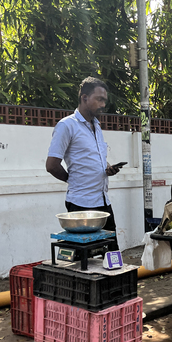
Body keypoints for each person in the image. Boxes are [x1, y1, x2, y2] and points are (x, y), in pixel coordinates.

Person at [46, 76, 123, 233]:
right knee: (85, 253)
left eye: (104, 101)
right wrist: (72, 178)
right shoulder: (67, 125)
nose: (103, 105)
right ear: (85, 98)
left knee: (111, 252)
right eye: (99, 99)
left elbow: (91, 158)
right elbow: (51, 165)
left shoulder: (97, 126)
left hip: (103, 200)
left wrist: (107, 168)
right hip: (81, 204)